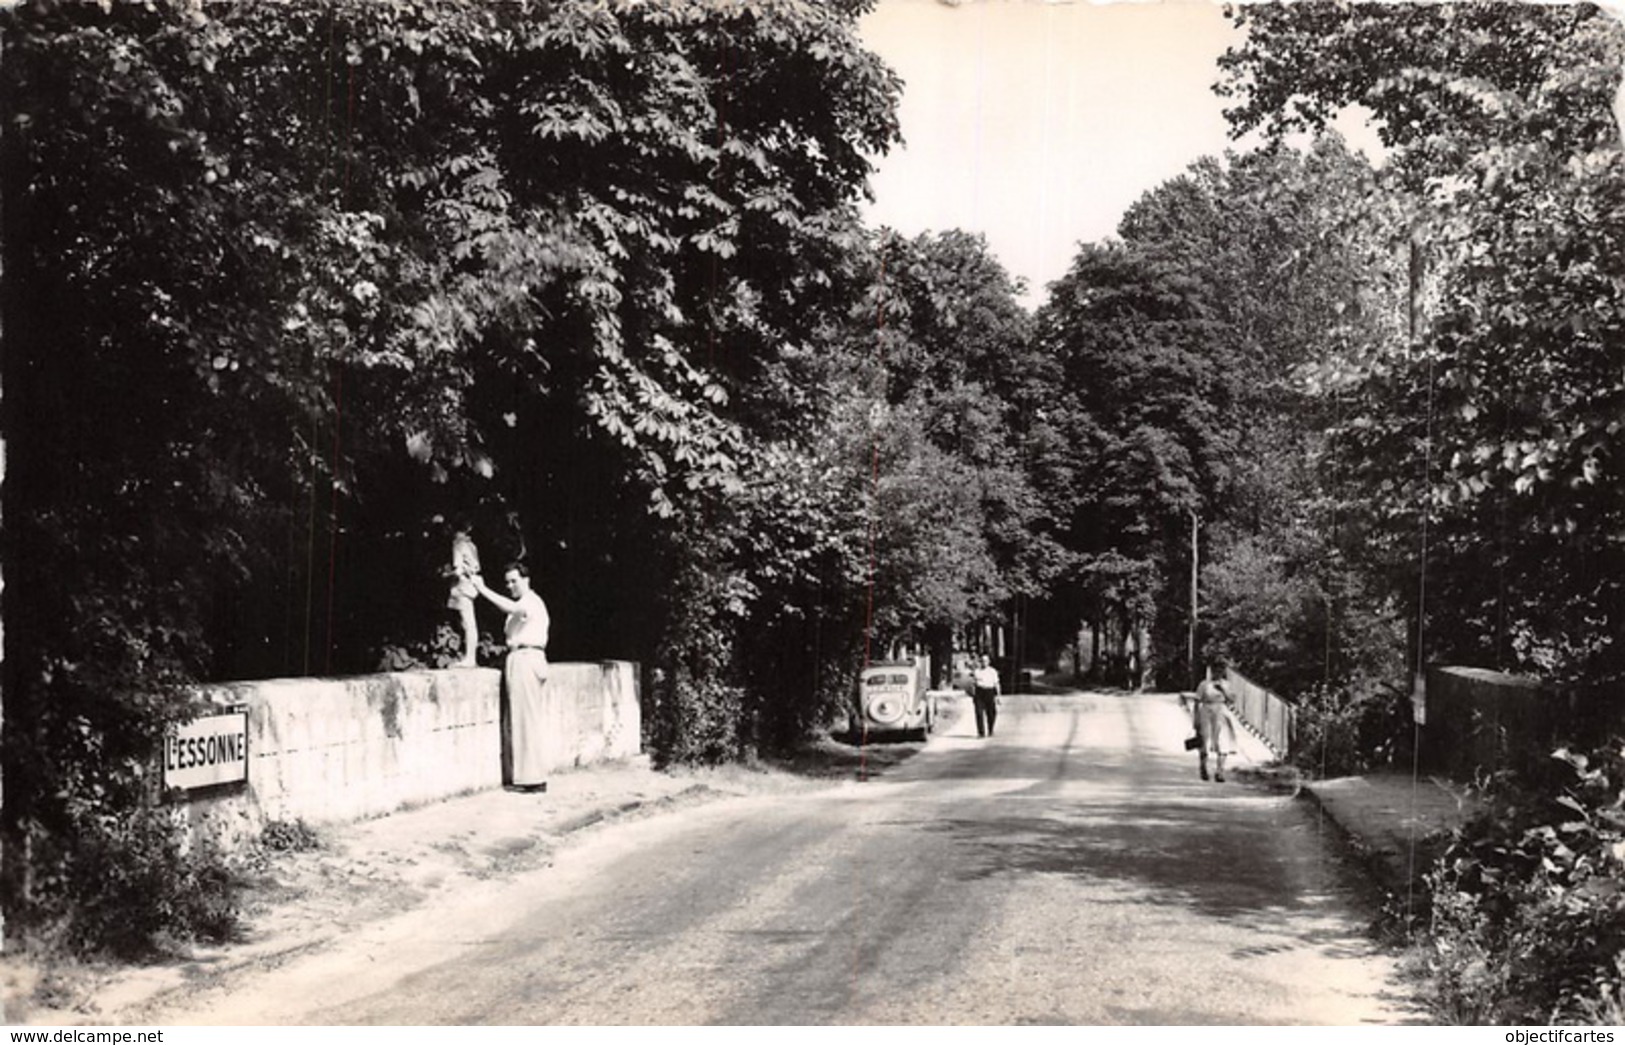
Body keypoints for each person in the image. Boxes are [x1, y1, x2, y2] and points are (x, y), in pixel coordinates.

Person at [472, 562, 551, 792]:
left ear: (527, 579)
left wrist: (483, 589)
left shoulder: (530, 602)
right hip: (523, 657)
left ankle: (533, 778)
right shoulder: (527, 603)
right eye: (507, 582)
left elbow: (510, 608)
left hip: (527, 657)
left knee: (527, 719)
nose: (510, 586)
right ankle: (529, 776)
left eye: (514, 581)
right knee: (523, 719)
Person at [1181, 662, 1237, 782]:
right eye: (1215, 670)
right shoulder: (1204, 684)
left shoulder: (1226, 684)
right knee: (1204, 740)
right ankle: (1203, 768)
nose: (1217, 673)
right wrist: (1195, 719)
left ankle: (1220, 771)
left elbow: (1232, 699)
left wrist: (1223, 689)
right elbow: (1197, 701)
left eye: (1220, 671)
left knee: (1223, 740)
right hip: (1206, 711)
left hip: (1221, 711)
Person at [445, 524, 481, 667]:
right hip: (470, 586)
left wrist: (446, 574)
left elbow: (458, 569)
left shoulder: (458, 545)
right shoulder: (471, 545)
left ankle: (470, 658)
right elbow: (476, 567)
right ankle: (470, 656)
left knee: (467, 623)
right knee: (468, 623)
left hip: (462, 587)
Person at [971, 654, 1000, 738]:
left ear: (989, 662)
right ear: (980, 662)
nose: (984, 662)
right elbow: (973, 684)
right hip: (979, 692)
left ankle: (990, 729)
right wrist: (973, 695)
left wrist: (997, 696)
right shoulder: (977, 671)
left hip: (989, 692)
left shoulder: (993, 671)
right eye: (982, 661)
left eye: (986, 661)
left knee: (991, 713)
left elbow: (996, 684)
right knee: (979, 713)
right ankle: (981, 733)